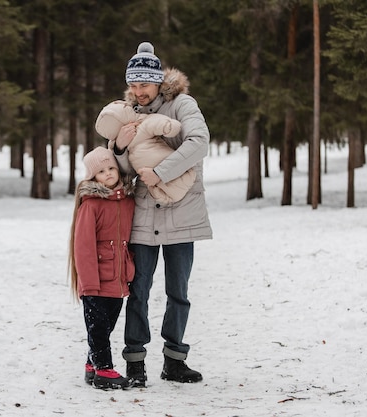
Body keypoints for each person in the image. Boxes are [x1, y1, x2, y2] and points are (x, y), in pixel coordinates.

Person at [107, 41, 213, 387]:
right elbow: (123, 171)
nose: (138, 91)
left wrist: (162, 172)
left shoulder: (182, 104)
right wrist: (119, 147)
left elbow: (199, 142)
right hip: (143, 215)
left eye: (144, 84)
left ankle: (175, 361)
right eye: (133, 84)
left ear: (158, 82)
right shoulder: (126, 111)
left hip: (181, 211)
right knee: (138, 290)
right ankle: (135, 362)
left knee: (178, 291)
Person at [67, 146, 136, 390]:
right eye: (101, 171)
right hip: (95, 280)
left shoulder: (128, 201)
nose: (108, 174)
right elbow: (83, 246)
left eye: (111, 168)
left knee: (106, 327)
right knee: (97, 327)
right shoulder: (91, 205)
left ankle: (91, 364)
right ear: (93, 177)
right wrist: (88, 284)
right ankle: (104, 370)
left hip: (117, 278)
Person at [95, 99, 196, 205]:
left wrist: (168, 126)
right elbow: (125, 171)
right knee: (159, 191)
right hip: (153, 181)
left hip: (169, 167)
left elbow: (155, 123)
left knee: (170, 183)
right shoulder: (115, 143)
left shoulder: (142, 124)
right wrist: (119, 147)